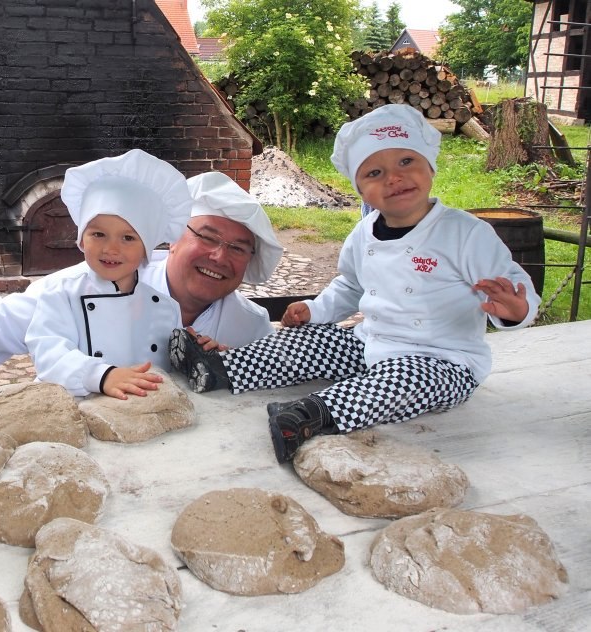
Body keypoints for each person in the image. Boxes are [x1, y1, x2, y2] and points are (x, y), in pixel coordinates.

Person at [169, 103, 539, 463]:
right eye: (373, 173)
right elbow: (350, 285)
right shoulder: (365, 232)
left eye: (406, 161)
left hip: (443, 362)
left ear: (430, 166)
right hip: (369, 344)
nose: (393, 177)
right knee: (302, 343)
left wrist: (516, 309)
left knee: (401, 381)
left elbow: (512, 285)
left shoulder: (465, 233)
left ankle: (312, 416)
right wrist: (314, 310)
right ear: (360, 190)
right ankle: (219, 369)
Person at [0, 169, 285, 388]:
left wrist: (232, 369)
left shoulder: (250, 327)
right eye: (206, 237)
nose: (219, 257)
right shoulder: (90, 283)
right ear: (174, 238)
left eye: (238, 248)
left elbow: (273, 385)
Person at [24, 149, 191, 398]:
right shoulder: (60, 294)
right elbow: (49, 355)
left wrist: (194, 351)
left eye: (128, 238)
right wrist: (101, 376)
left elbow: (171, 371)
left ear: (147, 248)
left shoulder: (166, 307)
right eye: (98, 234)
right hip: (72, 412)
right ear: (81, 240)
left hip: (143, 416)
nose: (111, 249)